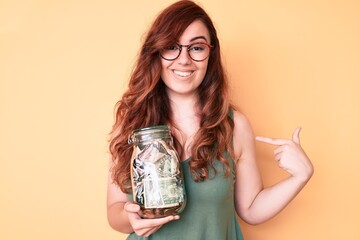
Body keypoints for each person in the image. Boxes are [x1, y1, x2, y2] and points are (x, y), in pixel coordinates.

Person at [107, 1, 314, 239]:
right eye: (172, 46)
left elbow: (251, 208)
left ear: (210, 54)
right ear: (156, 52)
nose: (184, 59)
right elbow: (114, 211)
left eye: (196, 48)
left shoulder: (234, 126)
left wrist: (300, 176)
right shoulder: (131, 125)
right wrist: (131, 217)